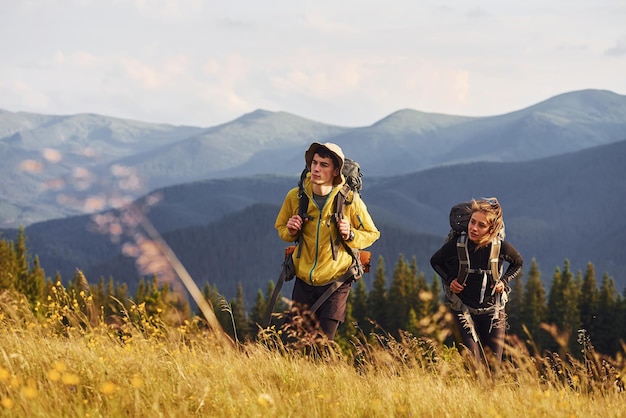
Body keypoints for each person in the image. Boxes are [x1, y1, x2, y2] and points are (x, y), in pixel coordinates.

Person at [275, 142, 380, 341]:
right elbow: (281, 228)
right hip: (304, 279)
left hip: (337, 280)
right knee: (297, 341)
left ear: (335, 171)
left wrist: (350, 235)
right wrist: (290, 230)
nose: (316, 168)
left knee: (323, 343)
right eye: (314, 162)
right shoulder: (296, 197)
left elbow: (372, 233)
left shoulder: (349, 200)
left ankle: (327, 370)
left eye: (324, 164)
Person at [430, 198, 523, 363]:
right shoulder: (457, 245)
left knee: (494, 368)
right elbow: (435, 262)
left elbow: (518, 263)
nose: (473, 228)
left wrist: (504, 281)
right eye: (472, 222)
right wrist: (450, 279)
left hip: (493, 312)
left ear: (492, 229)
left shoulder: (500, 248)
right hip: (462, 310)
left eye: (481, 225)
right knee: (473, 366)